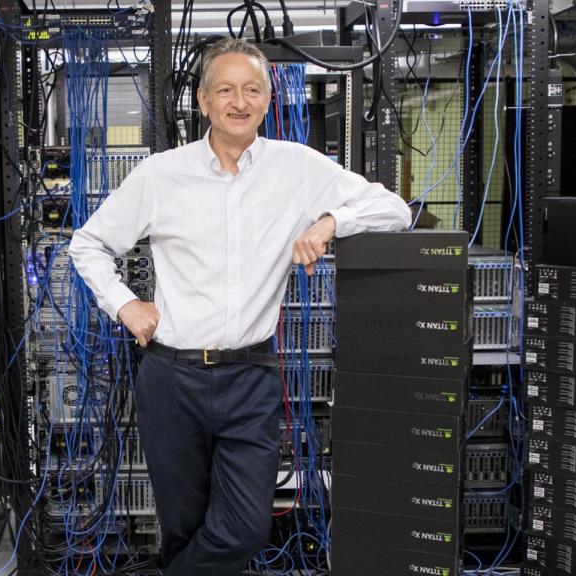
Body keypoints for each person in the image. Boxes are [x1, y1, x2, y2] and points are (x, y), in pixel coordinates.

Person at [69, 38, 411, 575]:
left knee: (245, 526)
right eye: (225, 89)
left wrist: (329, 222)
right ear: (203, 102)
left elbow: (394, 210)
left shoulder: (297, 169)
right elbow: (87, 244)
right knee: (183, 526)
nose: (239, 101)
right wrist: (125, 305)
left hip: (250, 376)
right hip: (170, 374)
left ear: (268, 101)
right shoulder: (161, 175)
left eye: (252, 89)